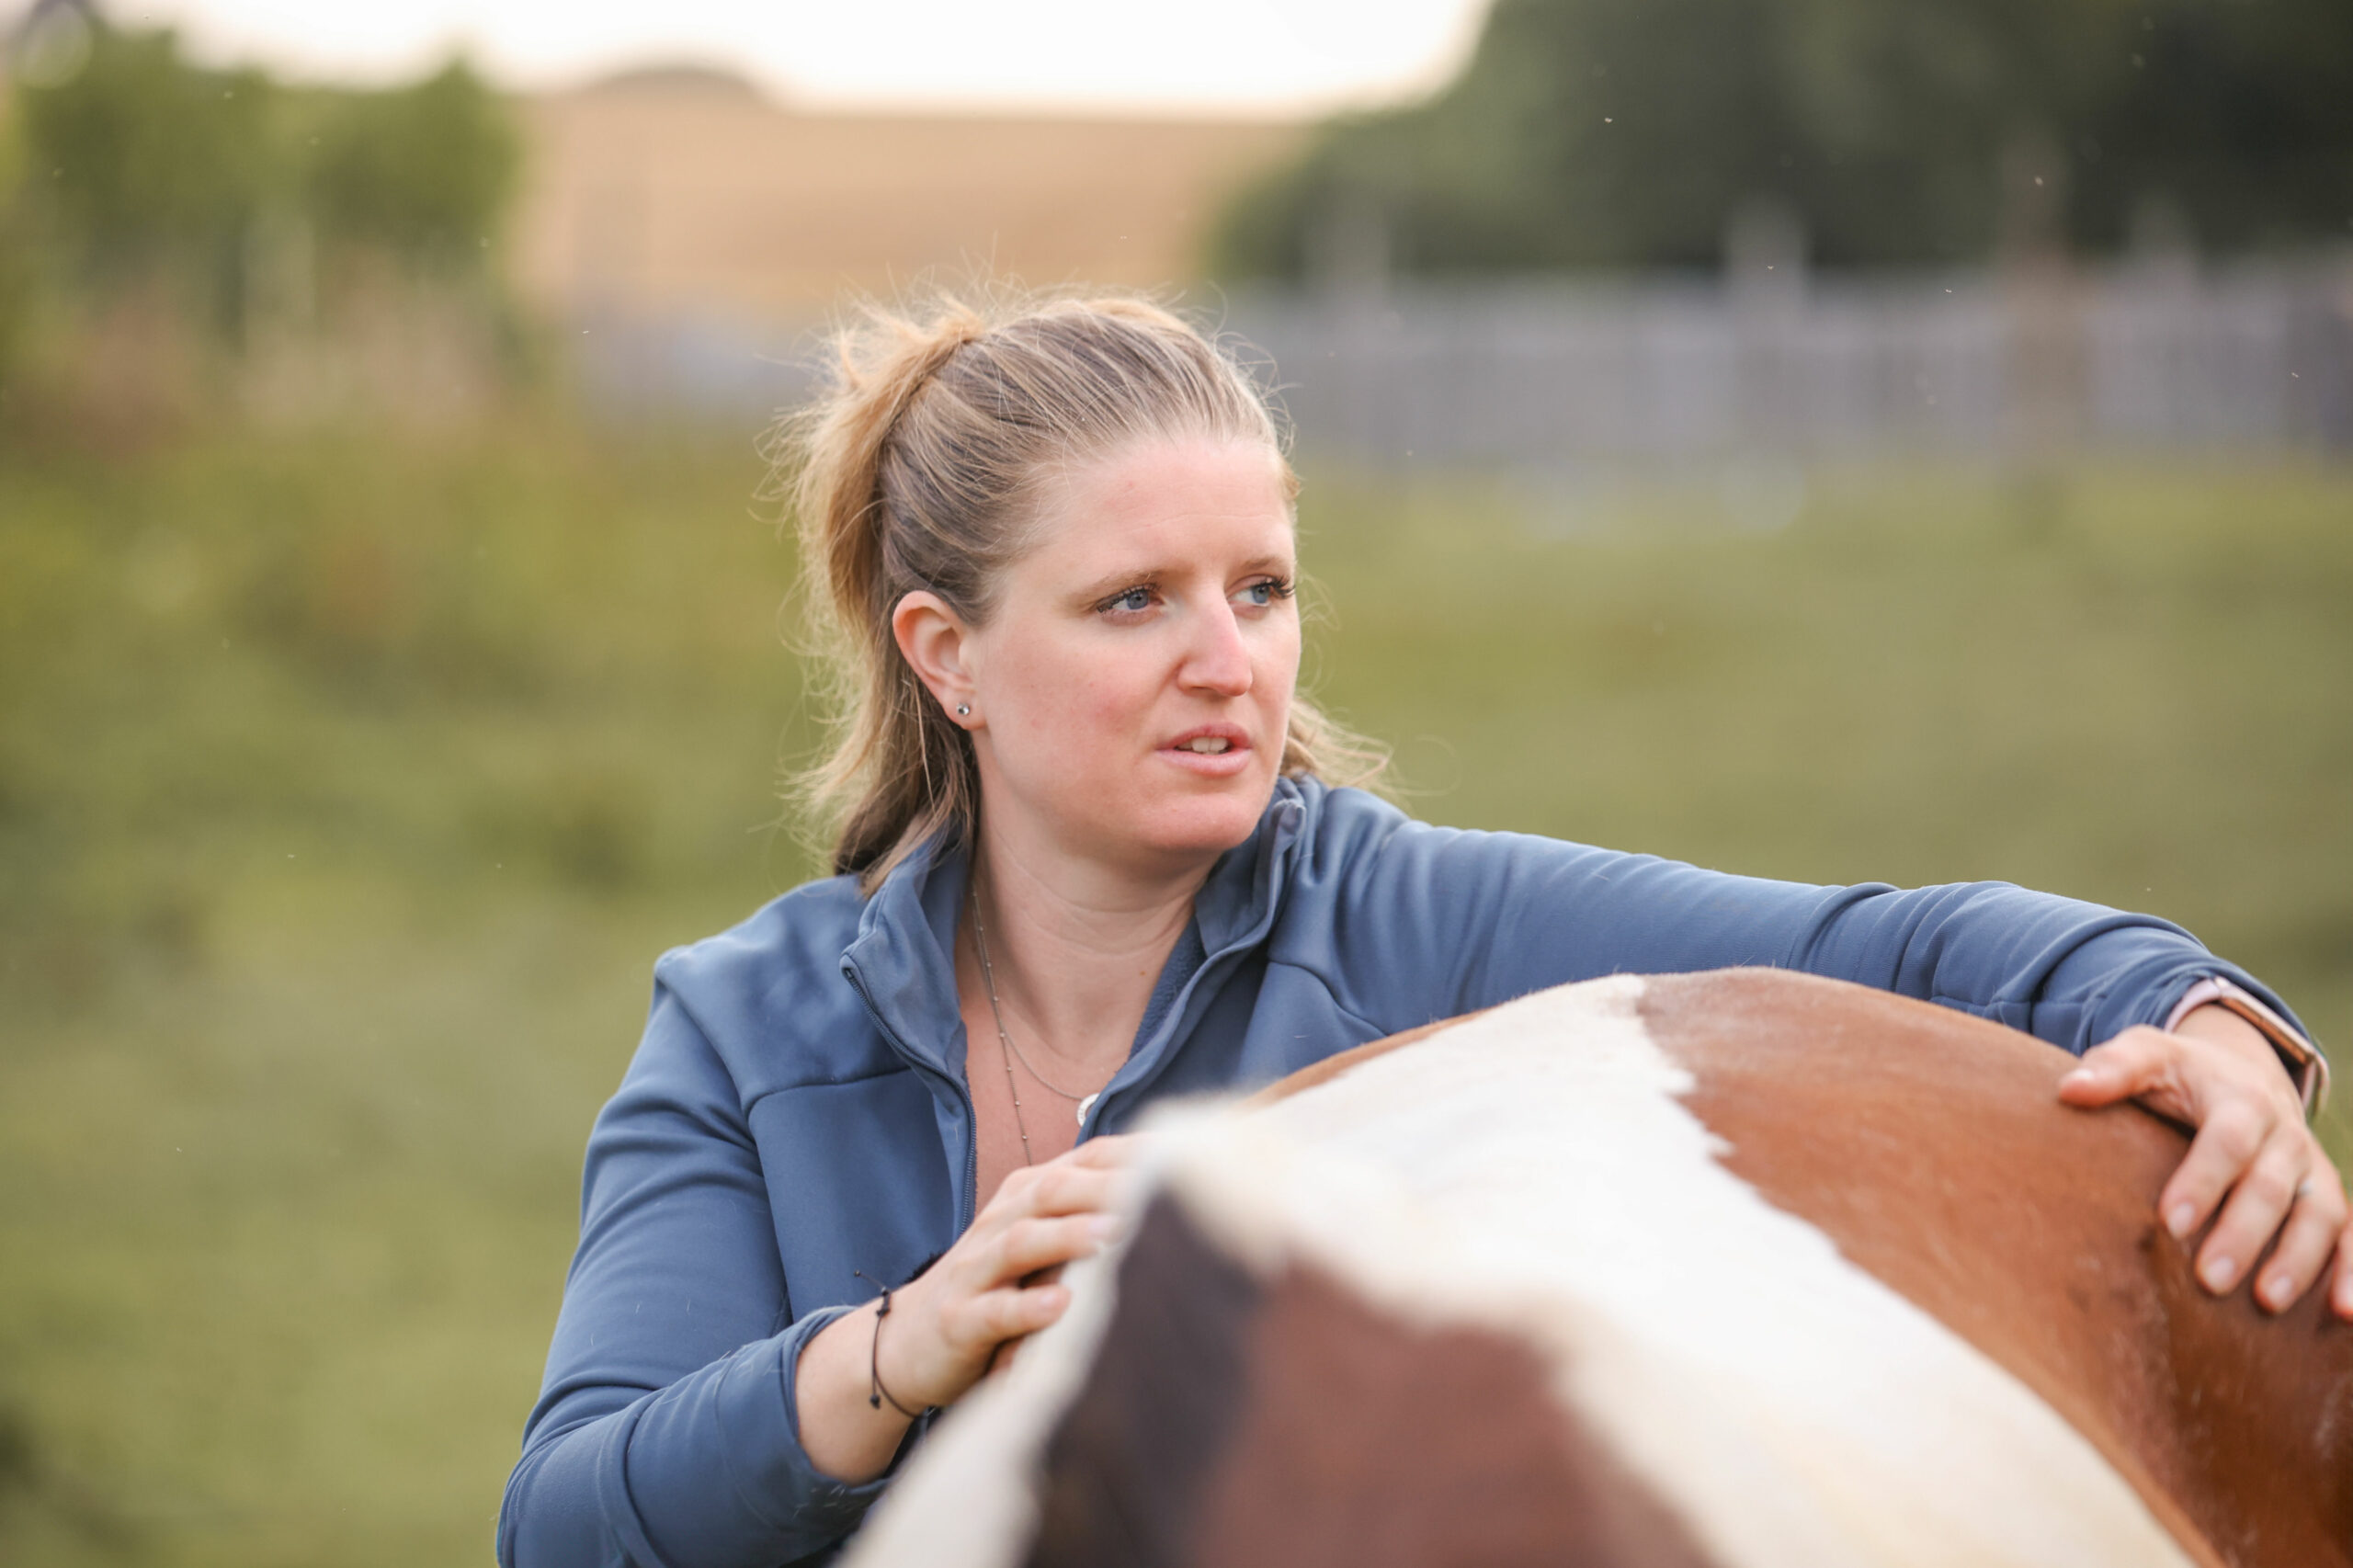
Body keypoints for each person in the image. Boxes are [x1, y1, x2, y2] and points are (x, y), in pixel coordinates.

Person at [497, 293, 2342, 1568]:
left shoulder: (1405, 914)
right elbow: (563, 1519)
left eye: (1261, 587)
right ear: (944, 653)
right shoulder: (744, 1027)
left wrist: (2192, 1013)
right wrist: (898, 1347)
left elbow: (1897, 944)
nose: (1228, 662)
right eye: (1134, 599)